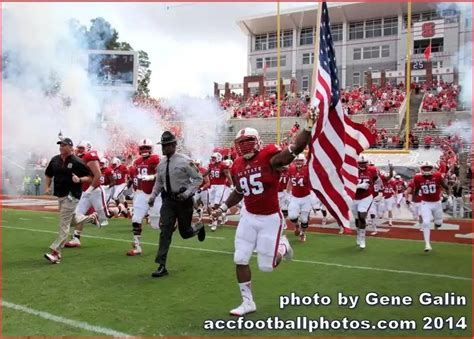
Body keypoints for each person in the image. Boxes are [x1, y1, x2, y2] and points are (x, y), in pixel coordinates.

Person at [212, 110, 315, 316]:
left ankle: (283, 247)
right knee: (240, 258)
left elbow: (294, 149)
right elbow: (239, 191)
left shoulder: (270, 157)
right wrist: (223, 207)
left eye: (248, 141)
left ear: (258, 141)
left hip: (270, 218)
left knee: (267, 266)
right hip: (248, 217)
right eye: (241, 142)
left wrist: (307, 128)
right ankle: (247, 302)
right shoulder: (238, 165)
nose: (244, 146)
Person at [148, 131, 205, 277]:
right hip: (168, 201)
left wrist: (187, 193)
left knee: (185, 233)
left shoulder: (185, 161)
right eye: (163, 145)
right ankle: (161, 265)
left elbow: (198, 179)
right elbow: (159, 183)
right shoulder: (161, 164)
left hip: (183, 201)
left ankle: (198, 228)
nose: (164, 148)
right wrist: (153, 196)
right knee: (165, 230)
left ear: (174, 145)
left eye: (167, 145)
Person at [43, 138, 91, 264]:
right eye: (60, 145)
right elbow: (48, 174)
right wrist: (47, 187)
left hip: (72, 195)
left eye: (64, 145)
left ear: (70, 147)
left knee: (64, 224)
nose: (61, 147)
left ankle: (56, 252)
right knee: (71, 221)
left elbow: (90, 177)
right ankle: (92, 218)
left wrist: (79, 180)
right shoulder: (55, 160)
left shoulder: (77, 161)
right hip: (60, 194)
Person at [127, 138, 162, 256]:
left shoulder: (156, 158)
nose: (144, 150)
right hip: (141, 193)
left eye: (147, 148)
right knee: (136, 219)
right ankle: (137, 246)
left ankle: (172, 226)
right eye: (142, 148)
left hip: (155, 193)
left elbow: (161, 173)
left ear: (151, 149)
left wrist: (152, 177)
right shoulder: (137, 162)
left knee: (156, 224)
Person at [411, 161, 449, 252]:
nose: (426, 169)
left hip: (437, 203)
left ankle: (437, 224)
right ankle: (427, 244)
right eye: (425, 168)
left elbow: (445, 186)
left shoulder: (438, 176)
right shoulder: (417, 177)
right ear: (422, 169)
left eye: (428, 167)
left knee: (439, 223)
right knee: (426, 223)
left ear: (432, 168)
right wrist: (413, 200)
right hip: (425, 203)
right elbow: (416, 190)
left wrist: (448, 194)